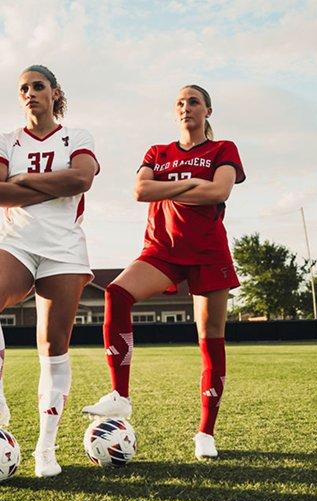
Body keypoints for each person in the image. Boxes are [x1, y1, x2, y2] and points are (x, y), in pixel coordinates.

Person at [81, 85, 245, 460]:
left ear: (208, 110)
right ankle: (120, 396)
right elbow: (141, 190)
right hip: (163, 248)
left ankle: (206, 432)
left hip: (207, 251)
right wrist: (190, 185)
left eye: (194, 102)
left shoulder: (223, 149)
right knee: (116, 294)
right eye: (180, 103)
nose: (186, 108)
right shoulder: (159, 152)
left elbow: (220, 190)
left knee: (210, 339)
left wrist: (167, 188)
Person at [0, 65, 100, 477]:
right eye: (23, 88)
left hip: (63, 249)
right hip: (17, 242)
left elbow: (81, 179)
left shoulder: (78, 137)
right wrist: (47, 182)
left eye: (38, 86)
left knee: (52, 344)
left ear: (55, 93)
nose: (30, 93)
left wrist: (23, 178)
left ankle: (45, 447)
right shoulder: (6, 140)